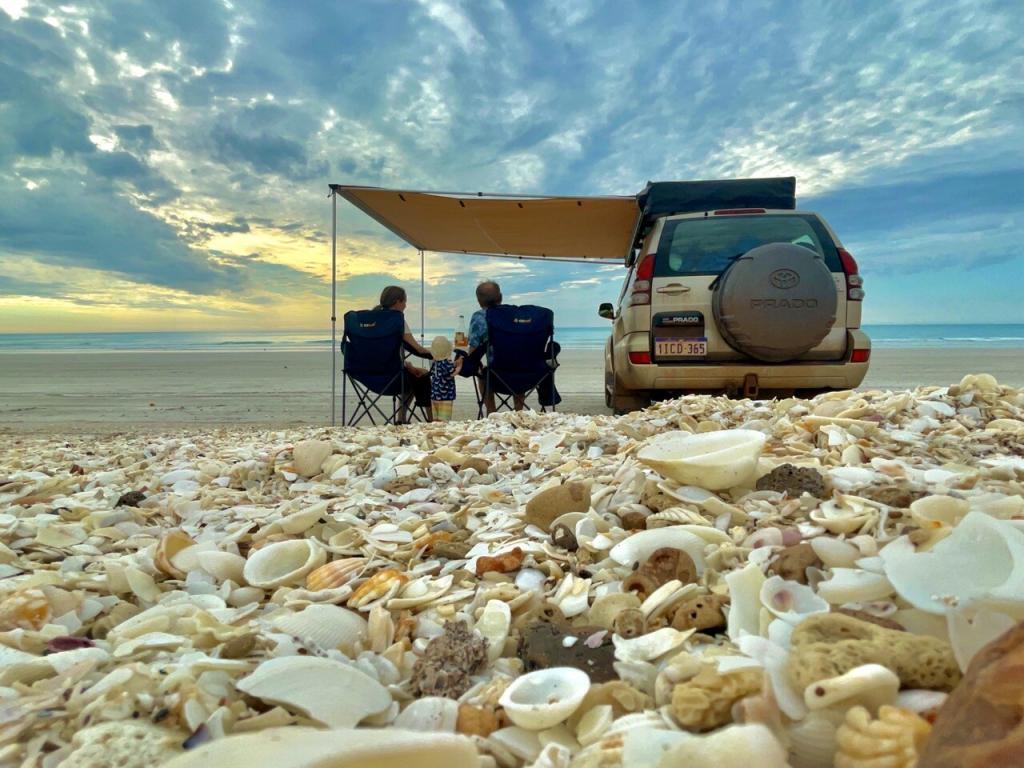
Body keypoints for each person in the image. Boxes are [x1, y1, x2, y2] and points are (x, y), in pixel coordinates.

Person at [458, 280, 525, 414]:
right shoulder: (516, 315)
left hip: (497, 376)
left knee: (482, 372)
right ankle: (519, 412)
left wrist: (469, 362)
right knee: (518, 362)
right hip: (528, 375)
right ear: (500, 297)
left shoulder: (480, 317)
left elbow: (473, 353)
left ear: (479, 301)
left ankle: (492, 413)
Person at [374, 286, 432, 422]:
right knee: (421, 374)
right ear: (397, 302)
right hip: (392, 376)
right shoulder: (397, 320)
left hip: (365, 374)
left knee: (409, 372)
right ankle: (430, 419)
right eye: (405, 302)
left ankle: (402, 419)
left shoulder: (371, 319)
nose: (405, 306)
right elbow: (417, 349)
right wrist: (435, 354)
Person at [429, 335, 456, 422]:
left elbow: (432, 373)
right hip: (446, 396)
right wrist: (459, 365)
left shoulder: (435, 363)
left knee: (436, 420)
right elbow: (453, 372)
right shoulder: (447, 363)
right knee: (444, 420)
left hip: (435, 395)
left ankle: (436, 432)